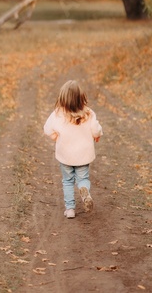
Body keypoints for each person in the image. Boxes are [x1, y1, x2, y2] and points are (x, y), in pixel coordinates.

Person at [44, 80, 102, 218]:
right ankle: (84, 191)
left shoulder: (58, 113)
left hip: (65, 155)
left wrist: (54, 136)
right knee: (83, 178)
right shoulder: (88, 113)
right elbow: (96, 129)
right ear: (81, 97)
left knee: (68, 181)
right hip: (83, 155)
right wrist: (97, 136)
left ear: (62, 98)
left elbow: (47, 128)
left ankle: (70, 209)